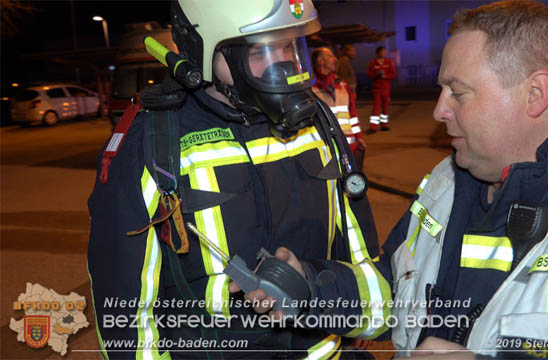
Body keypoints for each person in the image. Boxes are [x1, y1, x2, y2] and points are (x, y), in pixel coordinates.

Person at [249, 1, 548, 359]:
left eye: (458, 92)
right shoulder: (447, 179)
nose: (438, 111)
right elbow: (397, 290)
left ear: (535, 93)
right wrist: (312, 291)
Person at [87, 0, 389, 358]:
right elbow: (127, 315)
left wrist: (339, 304)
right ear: (207, 50)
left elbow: (365, 264)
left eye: (291, 46)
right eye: (261, 50)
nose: (284, 65)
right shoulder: (152, 143)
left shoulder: (318, 125)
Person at [311, 47, 366, 168]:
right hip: (326, 148)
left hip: (349, 145)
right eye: (330, 56)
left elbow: (352, 114)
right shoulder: (310, 89)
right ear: (320, 61)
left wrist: (359, 137)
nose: (335, 59)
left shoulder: (342, 84)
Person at [366, 46, 396, 133]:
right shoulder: (373, 63)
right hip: (376, 88)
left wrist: (385, 76)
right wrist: (376, 74)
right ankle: (373, 127)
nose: (384, 53)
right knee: (376, 107)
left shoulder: (388, 62)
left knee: (385, 107)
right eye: (382, 51)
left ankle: (384, 125)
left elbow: (393, 74)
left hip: (386, 88)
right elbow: (369, 74)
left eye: (385, 51)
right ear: (378, 53)